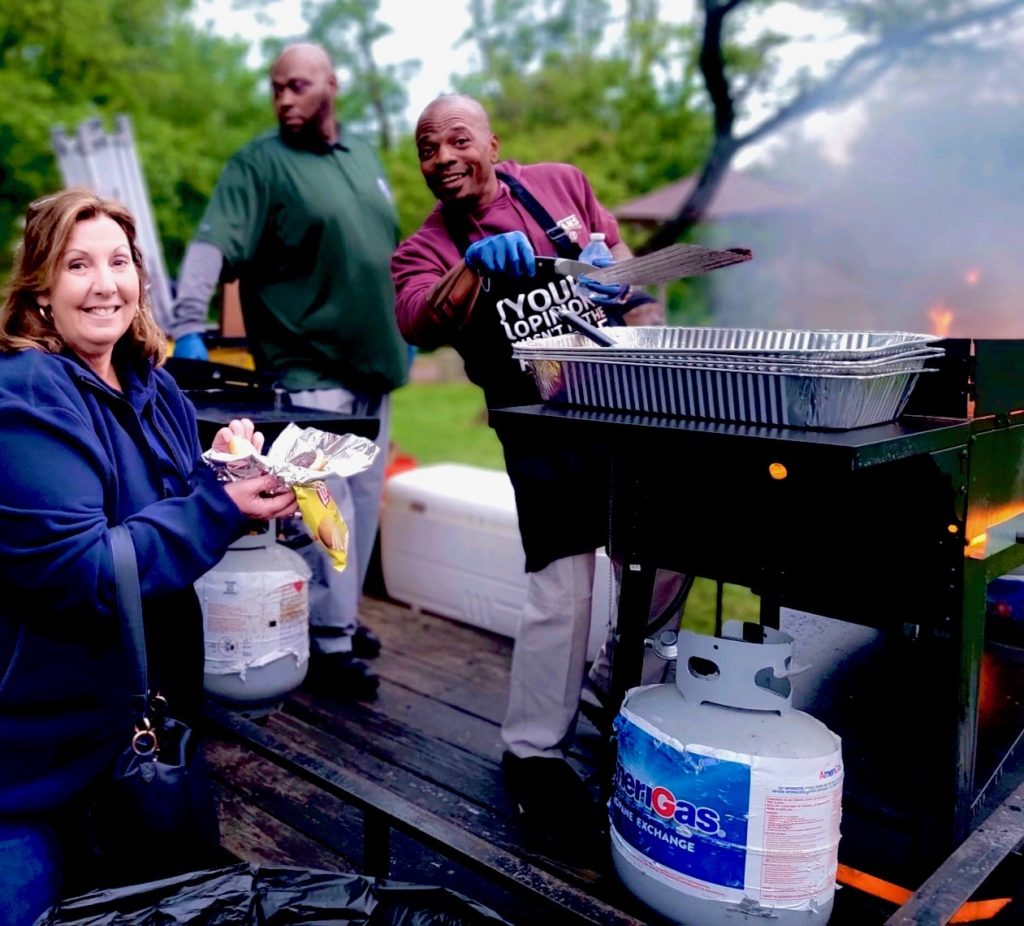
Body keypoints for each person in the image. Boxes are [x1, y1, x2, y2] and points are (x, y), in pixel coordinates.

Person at [391, 94, 685, 847]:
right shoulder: (424, 247)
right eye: (429, 149)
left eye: (458, 139)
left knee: (664, 565)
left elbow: (636, 283)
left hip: (623, 411)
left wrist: (641, 327)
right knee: (563, 587)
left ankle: (629, 711)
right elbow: (420, 318)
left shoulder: (562, 185)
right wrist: (472, 267)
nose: (445, 157)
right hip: (542, 433)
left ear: (494, 141)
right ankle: (532, 754)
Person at [0, 188, 299, 925]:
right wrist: (214, 506)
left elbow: (167, 508)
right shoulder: (27, 392)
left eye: (119, 261)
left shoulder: (154, 386)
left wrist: (227, 476)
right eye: (77, 264)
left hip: (146, 736)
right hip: (44, 759)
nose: (105, 283)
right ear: (39, 288)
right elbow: (83, 570)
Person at [167, 42, 409, 700]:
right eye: (275, 88)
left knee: (361, 506)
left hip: (375, 371)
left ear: (333, 84)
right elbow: (212, 244)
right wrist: (187, 324)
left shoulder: (359, 156)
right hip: (310, 372)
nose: (282, 99)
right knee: (326, 511)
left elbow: (382, 251)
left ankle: (338, 619)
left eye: (296, 85)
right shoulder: (261, 162)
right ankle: (328, 646)